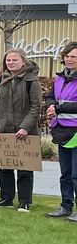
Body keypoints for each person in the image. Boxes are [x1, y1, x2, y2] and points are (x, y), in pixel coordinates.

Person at [0, 48, 43, 213]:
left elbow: (36, 107)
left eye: (14, 60)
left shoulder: (32, 81)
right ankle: (6, 198)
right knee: (4, 167)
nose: (10, 63)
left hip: (25, 133)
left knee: (25, 169)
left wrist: (25, 127)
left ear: (23, 61)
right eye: (8, 60)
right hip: (3, 131)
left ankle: (24, 201)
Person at [43, 41, 77, 220]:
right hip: (62, 130)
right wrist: (51, 106)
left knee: (76, 174)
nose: (69, 59)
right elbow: (50, 96)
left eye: (74, 56)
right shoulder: (60, 78)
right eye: (67, 56)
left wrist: (58, 108)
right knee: (65, 173)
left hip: (76, 132)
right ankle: (66, 206)